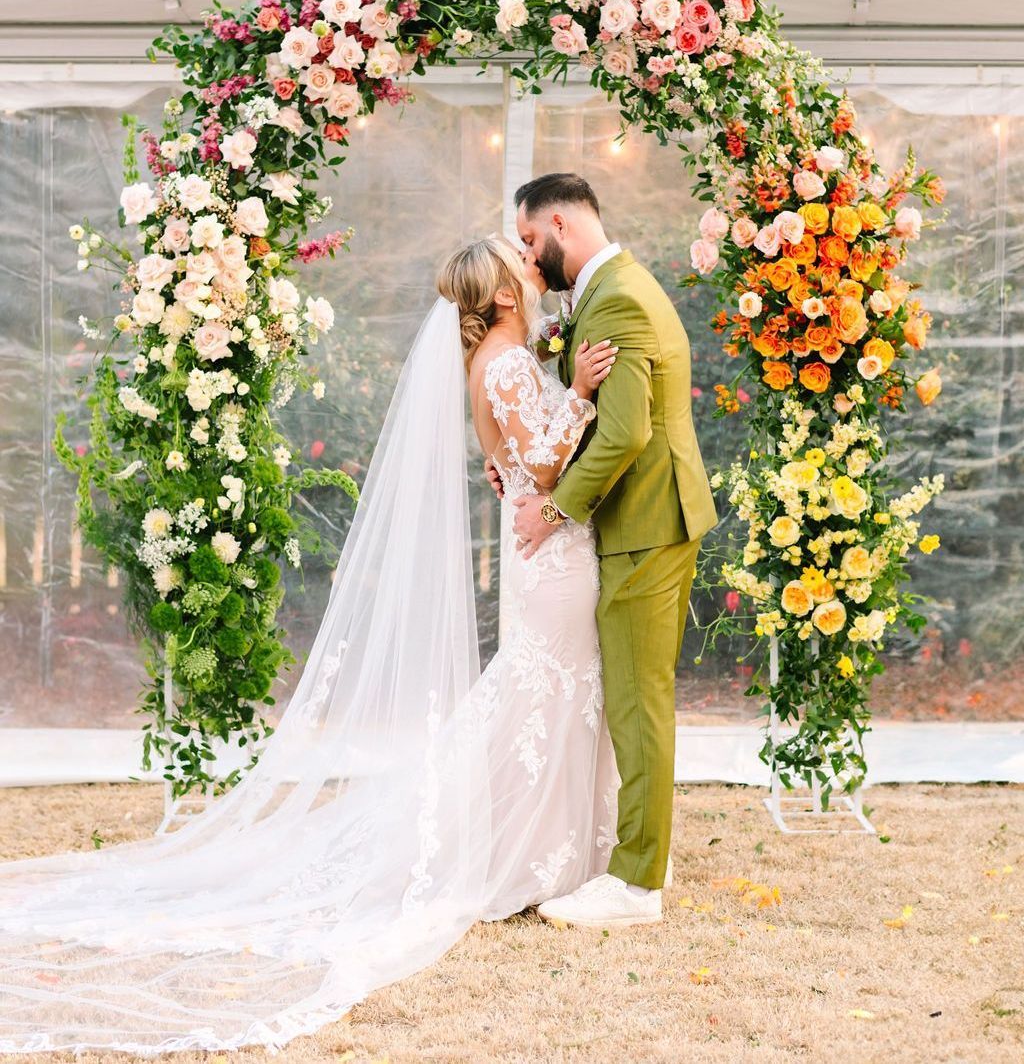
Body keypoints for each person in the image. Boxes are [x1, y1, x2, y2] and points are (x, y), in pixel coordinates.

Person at [0, 235, 631, 1055]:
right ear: (506, 297)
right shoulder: (508, 365)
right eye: (521, 269)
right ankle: (519, 850)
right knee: (542, 693)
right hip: (552, 557)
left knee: (544, 694)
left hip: (544, 554)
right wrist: (579, 395)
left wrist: (541, 429)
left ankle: (544, 848)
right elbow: (543, 471)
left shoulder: (500, 361)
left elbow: (506, 461)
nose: (532, 272)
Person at [496, 171, 718, 929]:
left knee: (638, 701)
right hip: (639, 520)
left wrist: (553, 509)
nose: (530, 255)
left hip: (646, 521)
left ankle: (635, 886)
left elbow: (626, 433)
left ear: (558, 222)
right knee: (630, 698)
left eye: (530, 239)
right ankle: (621, 865)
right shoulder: (607, 289)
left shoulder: (616, 297)